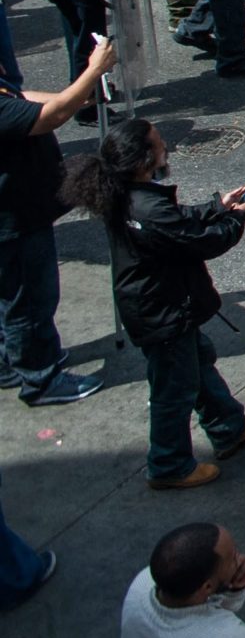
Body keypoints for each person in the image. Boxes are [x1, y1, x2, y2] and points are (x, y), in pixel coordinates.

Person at [58, 117, 245, 488]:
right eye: (159, 142)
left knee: (196, 364)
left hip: (160, 305)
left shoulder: (126, 194)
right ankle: (169, 464)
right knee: (174, 389)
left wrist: (217, 205)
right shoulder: (147, 208)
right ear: (143, 160)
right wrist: (236, 220)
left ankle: (228, 426)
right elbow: (199, 241)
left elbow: (179, 221)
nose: (165, 145)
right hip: (162, 312)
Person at [0, 30, 111, 408]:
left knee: (11, 299)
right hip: (15, 220)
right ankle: (41, 378)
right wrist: (93, 72)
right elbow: (51, 115)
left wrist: (79, 90)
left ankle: (10, 361)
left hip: (15, 216)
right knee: (31, 303)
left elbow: (27, 100)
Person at [118, 522, 245, 638]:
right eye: (233, 557)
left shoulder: (143, 583)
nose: (240, 558)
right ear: (207, 587)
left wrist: (235, 589)